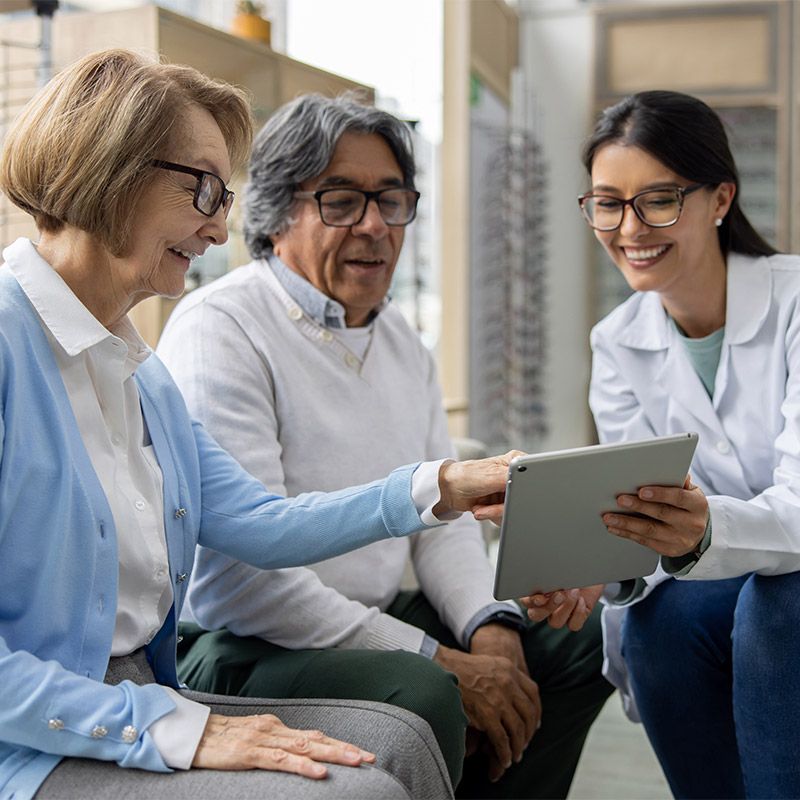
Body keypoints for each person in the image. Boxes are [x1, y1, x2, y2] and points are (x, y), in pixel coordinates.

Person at [0, 48, 516, 800]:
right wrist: (180, 728)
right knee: (361, 789)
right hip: (35, 739)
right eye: (205, 190)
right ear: (109, 169)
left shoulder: (141, 375)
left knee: (397, 744)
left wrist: (442, 485)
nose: (219, 231)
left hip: (141, 698)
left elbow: (269, 524)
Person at [156, 92, 613, 800]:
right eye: (341, 200)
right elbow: (244, 585)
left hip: (374, 616)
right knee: (424, 684)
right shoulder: (221, 328)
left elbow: (444, 526)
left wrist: (489, 628)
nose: (374, 225)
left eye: (392, 199)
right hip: (243, 641)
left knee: (580, 642)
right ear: (279, 213)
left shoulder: (402, 341)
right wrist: (441, 656)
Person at [523, 90, 800, 799]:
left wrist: (703, 527)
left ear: (719, 198)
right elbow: (642, 518)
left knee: (778, 603)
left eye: (659, 200)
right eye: (607, 203)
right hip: (731, 573)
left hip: (786, 582)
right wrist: (598, 566)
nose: (629, 227)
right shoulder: (617, 344)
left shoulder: (796, 304)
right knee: (657, 620)